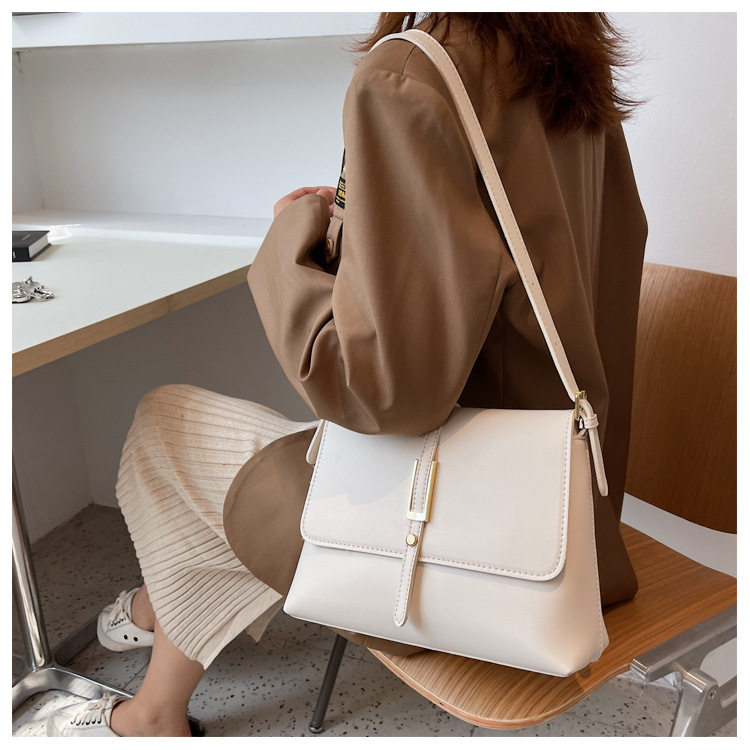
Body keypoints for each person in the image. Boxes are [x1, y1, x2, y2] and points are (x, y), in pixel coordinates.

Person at [47, 12, 647, 737]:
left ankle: (149, 703)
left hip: (463, 562)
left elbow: (380, 392)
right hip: (571, 528)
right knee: (233, 471)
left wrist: (290, 237)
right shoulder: (568, 62)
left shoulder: (412, 76)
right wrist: (363, 234)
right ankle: (152, 628)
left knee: (164, 427)